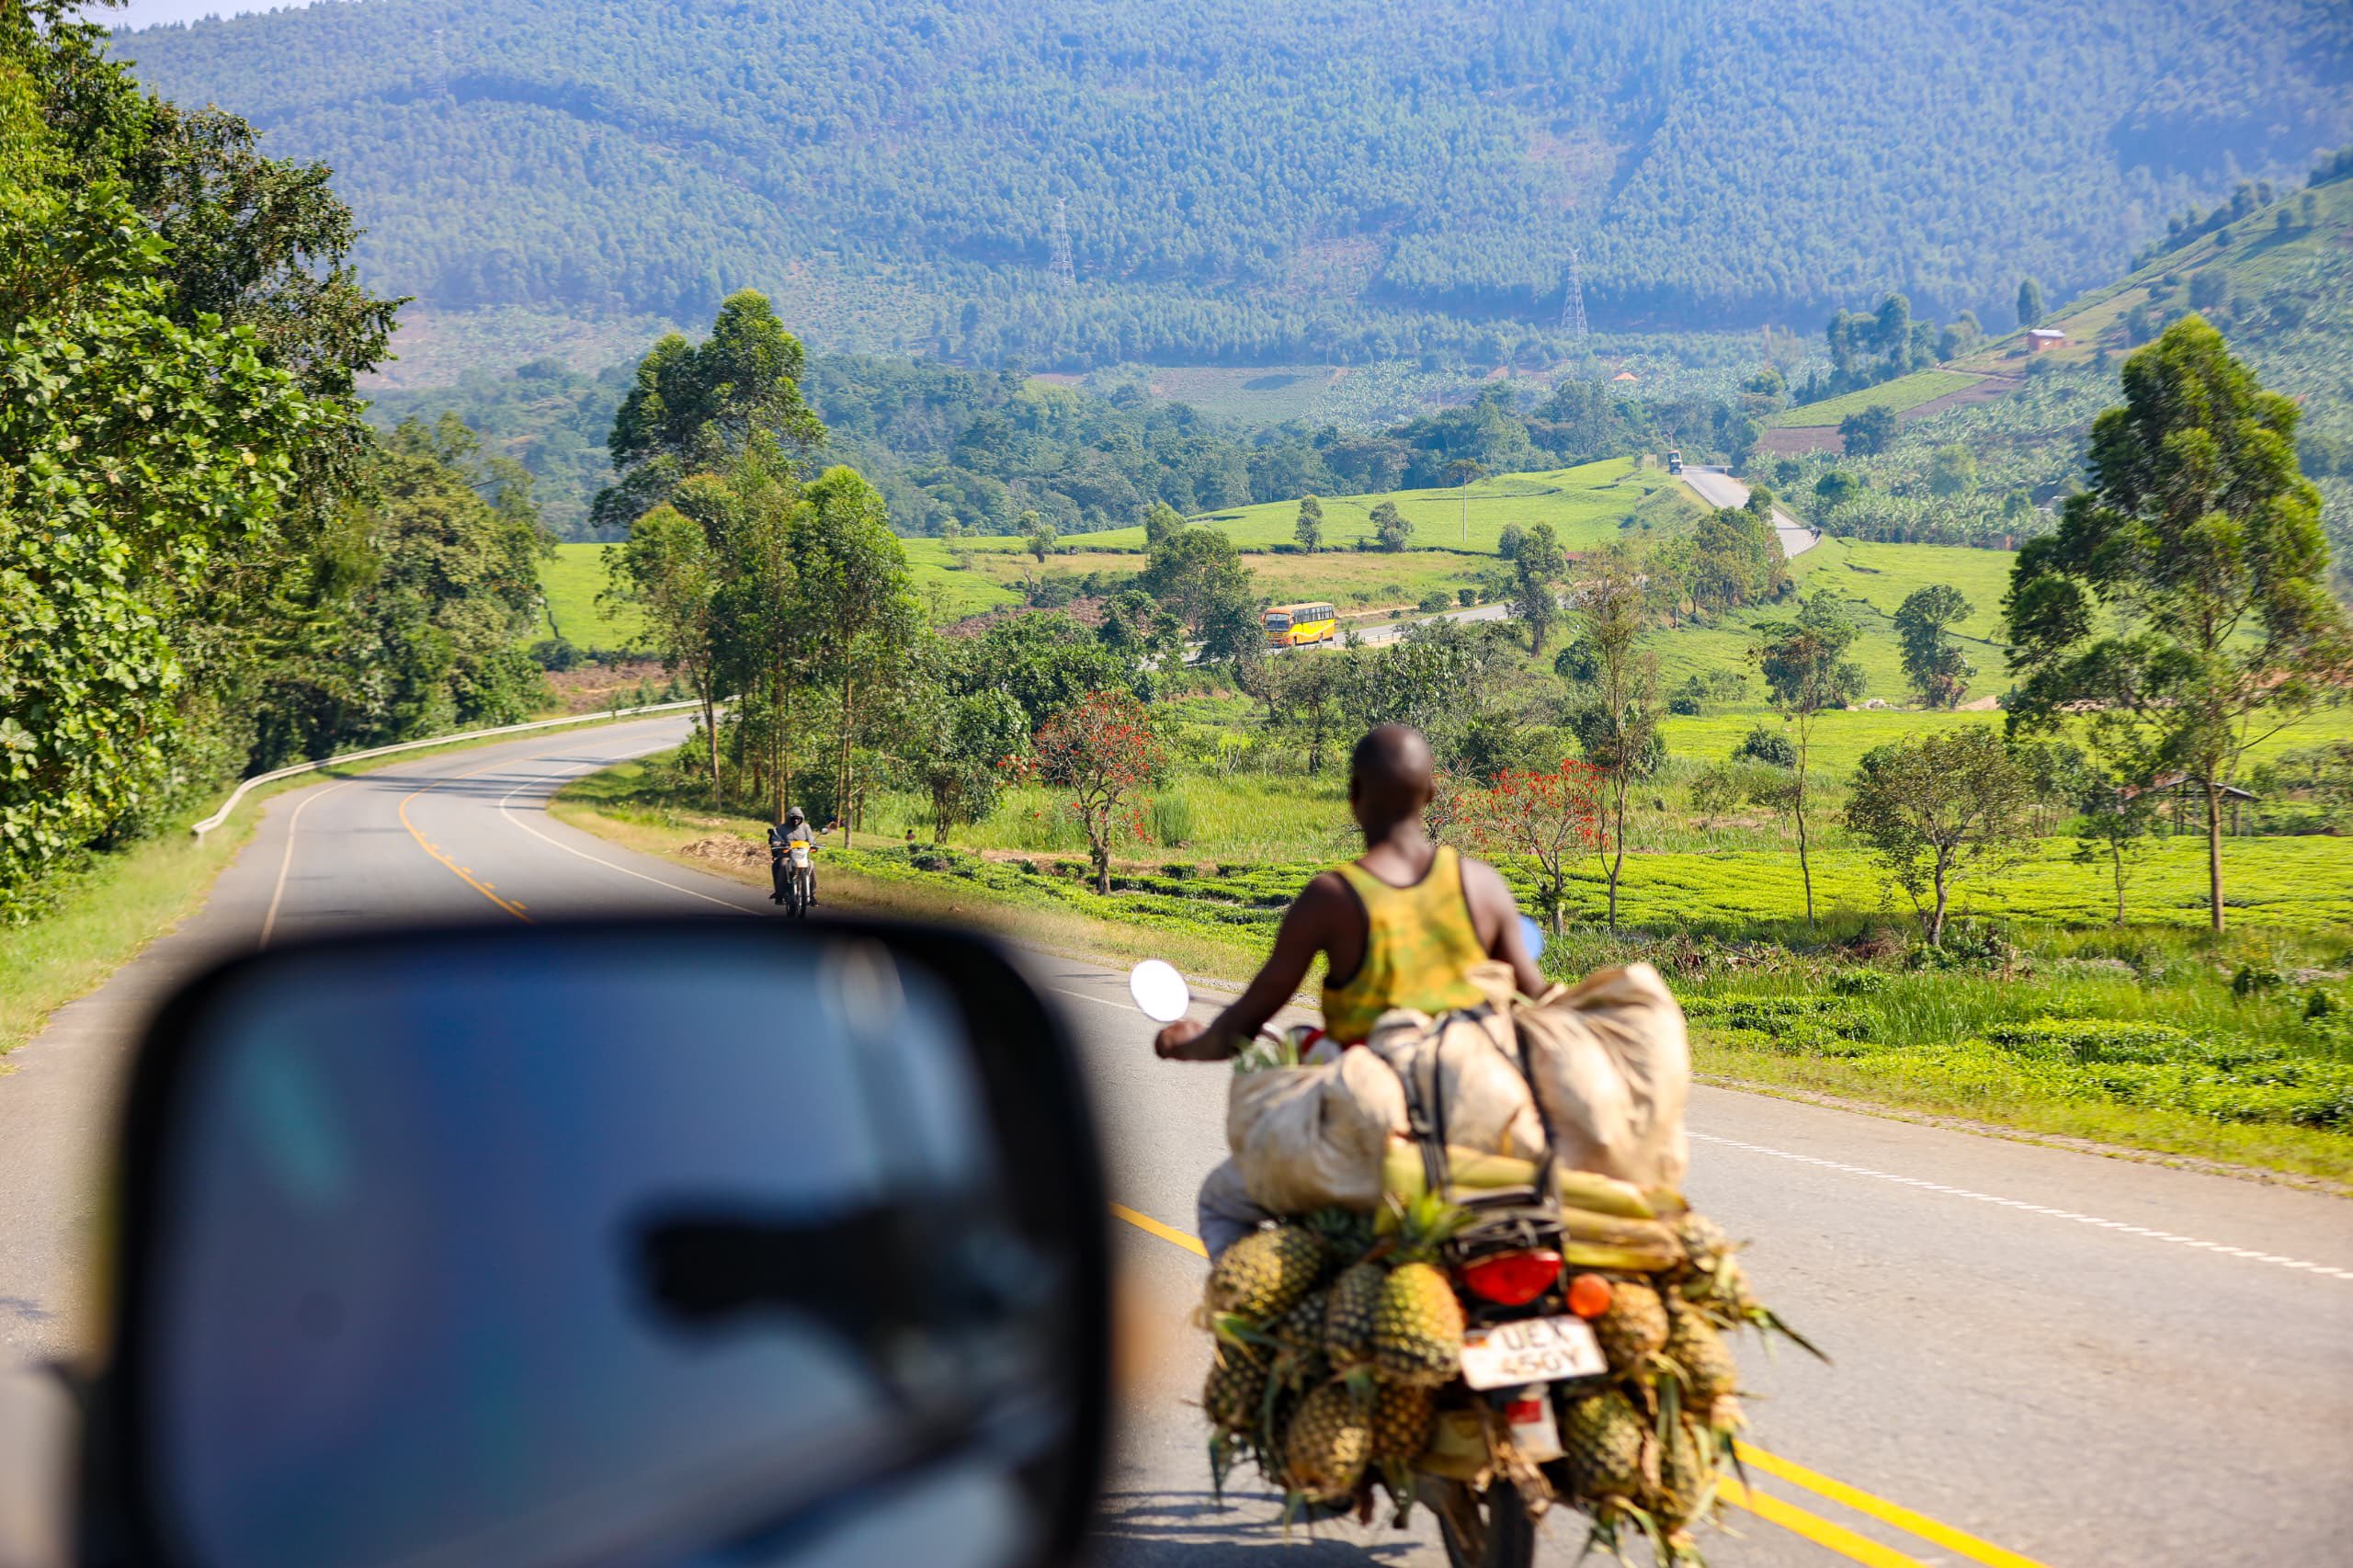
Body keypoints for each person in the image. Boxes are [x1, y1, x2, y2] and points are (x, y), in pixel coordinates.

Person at [1154, 723, 1544, 1255]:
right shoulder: (1480, 884)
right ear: (1431, 793)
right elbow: (1537, 1002)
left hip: (1369, 1136)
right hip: (1482, 1124)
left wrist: (1186, 1044)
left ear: (1354, 797)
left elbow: (1245, 1021)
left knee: (1220, 1200)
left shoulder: (1332, 898)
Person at [767, 807, 815, 906]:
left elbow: (811, 840)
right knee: (783, 864)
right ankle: (780, 894)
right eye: (794, 818)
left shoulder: (806, 827)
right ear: (788, 818)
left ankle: (811, 895)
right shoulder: (781, 828)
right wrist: (779, 844)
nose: (796, 821)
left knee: (811, 864)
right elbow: (775, 840)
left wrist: (814, 845)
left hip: (802, 856)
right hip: (787, 855)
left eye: (798, 818)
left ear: (802, 818)